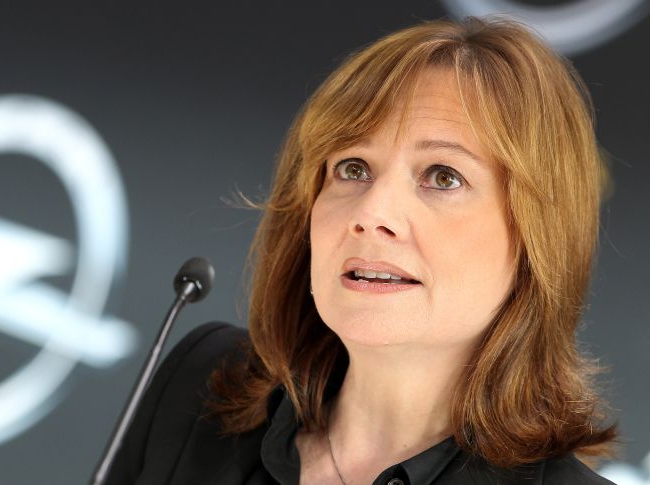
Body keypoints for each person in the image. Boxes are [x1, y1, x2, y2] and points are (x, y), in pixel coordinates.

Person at [104, 16, 618, 485]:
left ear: (535, 240)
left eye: (443, 177)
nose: (371, 212)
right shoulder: (201, 384)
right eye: (353, 168)